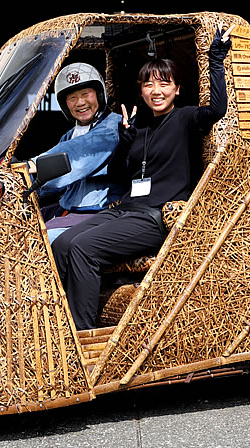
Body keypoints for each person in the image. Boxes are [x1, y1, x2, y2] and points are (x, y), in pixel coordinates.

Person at [51, 26, 232, 330]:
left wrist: (216, 59)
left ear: (177, 89)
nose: (156, 90)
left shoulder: (186, 118)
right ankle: (61, 324)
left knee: (84, 248)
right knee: (62, 244)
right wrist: (125, 139)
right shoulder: (138, 126)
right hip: (125, 210)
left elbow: (217, 108)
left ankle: (81, 334)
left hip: (154, 217)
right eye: (148, 84)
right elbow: (122, 174)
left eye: (164, 84)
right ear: (141, 90)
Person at [30, 62, 121, 243]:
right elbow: (52, 181)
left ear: (99, 94)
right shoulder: (71, 134)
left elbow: (74, 155)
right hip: (71, 209)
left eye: (85, 94)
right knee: (22, 228)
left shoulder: (112, 127)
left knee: (40, 243)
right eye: (72, 98)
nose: (80, 103)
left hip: (99, 211)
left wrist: (30, 167)